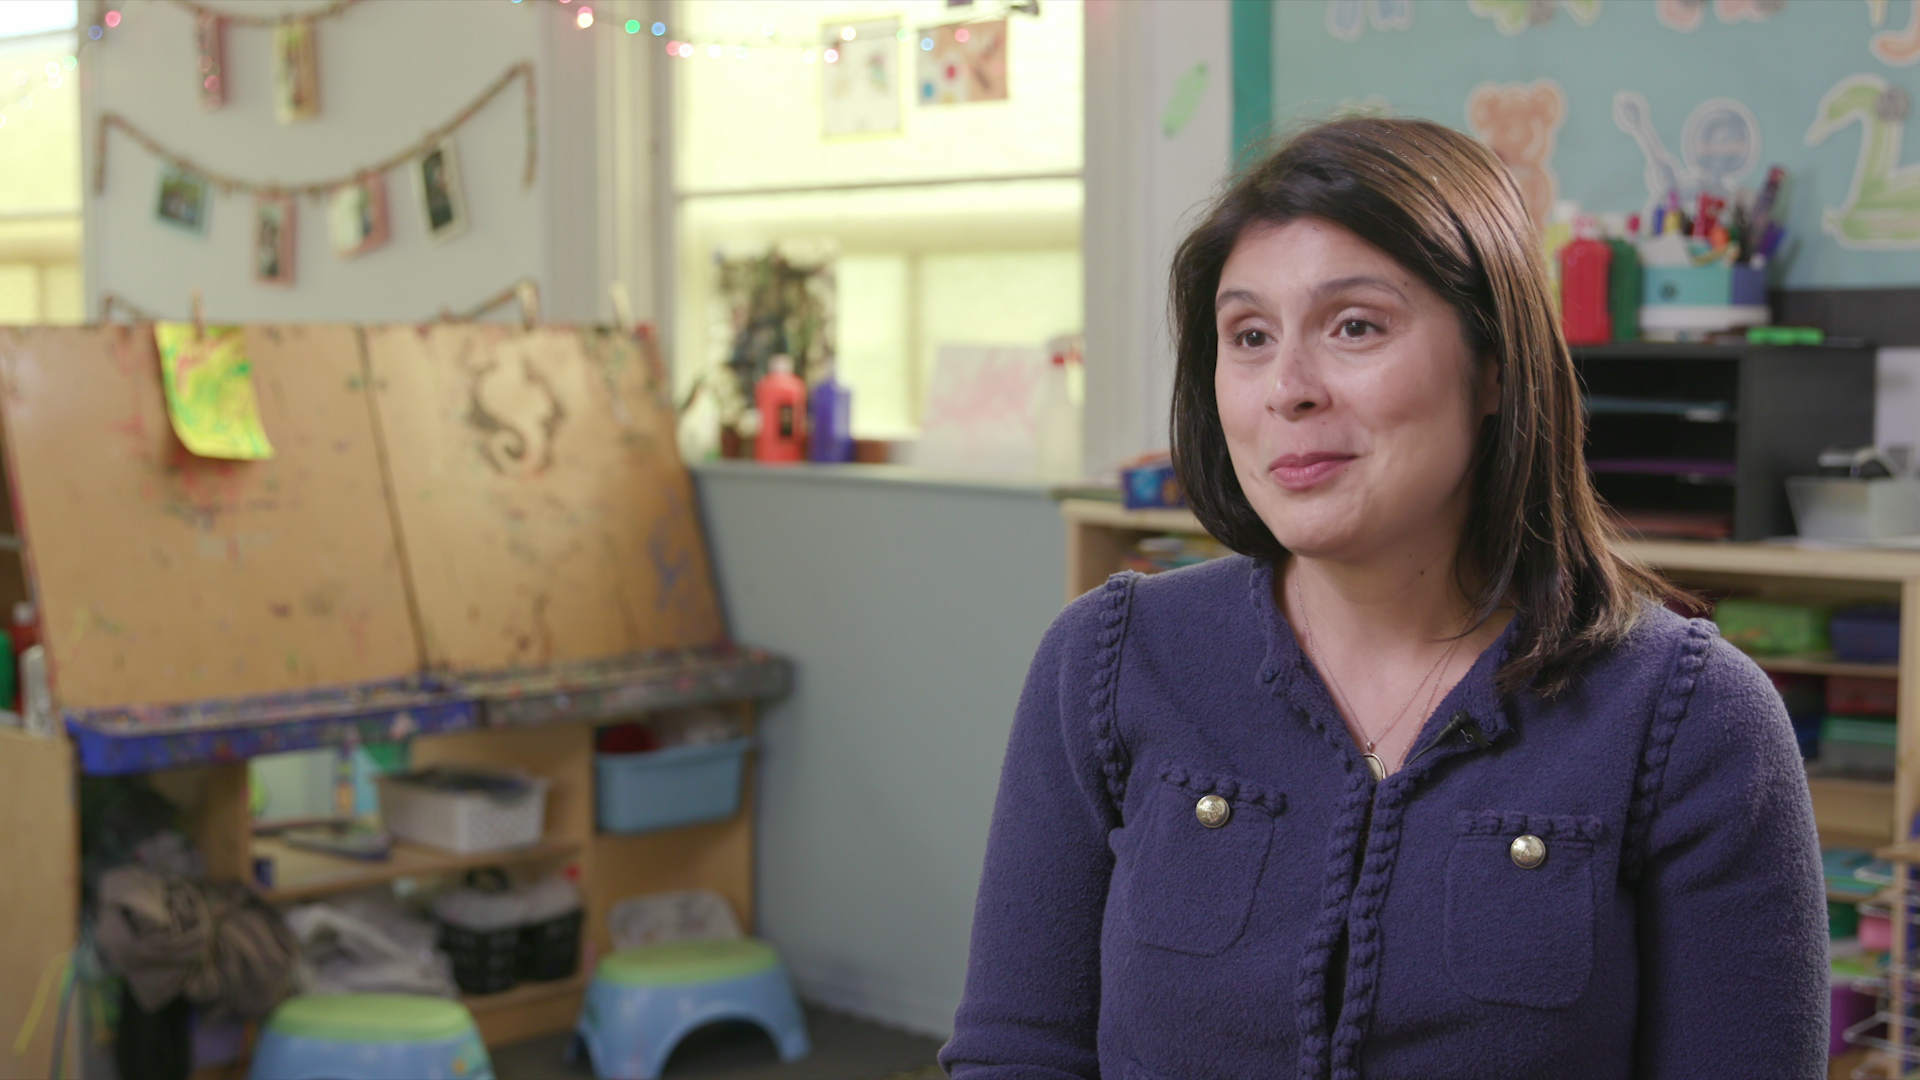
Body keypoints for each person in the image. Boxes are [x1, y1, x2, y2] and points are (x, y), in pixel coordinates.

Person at [940, 117, 1826, 1080]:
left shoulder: (1692, 717)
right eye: (1248, 336)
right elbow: (1017, 1051)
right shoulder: (1109, 660)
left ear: (1494, 367)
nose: (1287, 388)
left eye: (1355, 325)